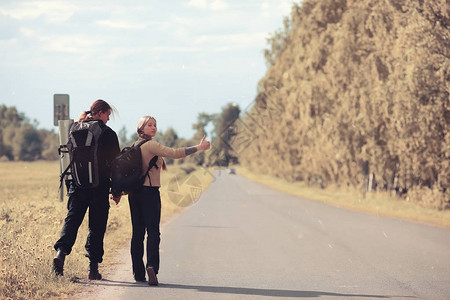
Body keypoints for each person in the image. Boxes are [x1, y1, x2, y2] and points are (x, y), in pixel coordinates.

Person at [124, 115, 210, 285]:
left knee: (137, 233)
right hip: (150, 193)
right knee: (153, 232)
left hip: (134, 195)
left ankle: (138, 273)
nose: (154, 128)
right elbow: (175, 153)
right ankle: (152, 266)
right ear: (141, 128)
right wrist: (199, 147)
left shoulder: (133, 147)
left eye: (155, 125)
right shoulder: (152, 145)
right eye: (149, 125)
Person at [53, 99, 122, 280]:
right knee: (97, 226)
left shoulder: (75, 128)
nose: (108, 119)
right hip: (99, 186)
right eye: (107, 114)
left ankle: (60, 254)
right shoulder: (108, 134)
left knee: (72, 221)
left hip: (77, 185)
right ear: (101, 112)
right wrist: (117, 190)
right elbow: (116, 165)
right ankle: (93, 269)